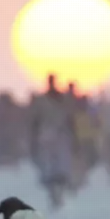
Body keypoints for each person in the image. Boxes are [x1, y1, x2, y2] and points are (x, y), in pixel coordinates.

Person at [30, 74, 75, 209]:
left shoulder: (61, 99)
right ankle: (53, 197)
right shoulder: (41, 100)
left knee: (61, 168)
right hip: (46, 137)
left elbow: (69, 119)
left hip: (61, 136)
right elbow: (35, 122)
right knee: (49, 170)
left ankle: (59, 196)